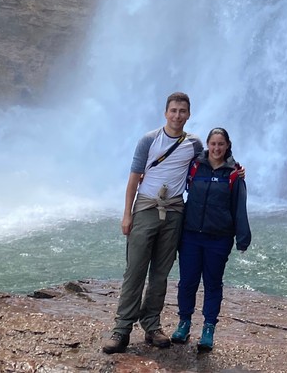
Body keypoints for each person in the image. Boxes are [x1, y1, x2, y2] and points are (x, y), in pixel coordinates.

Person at [102, 91, 203, 354]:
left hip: (173, 212)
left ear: (189, 114)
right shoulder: (149, 140)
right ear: (165, 113)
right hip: (146, 209)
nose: (178, 115)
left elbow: (211, 165)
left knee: (160, 273)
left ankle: (152, 325)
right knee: (135, 270)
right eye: (173, 111)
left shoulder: (194, 144)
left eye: (182, 111)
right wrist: (127, 215)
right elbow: (134, 178)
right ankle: (122, 329)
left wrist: (236, 170)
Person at [169, 126, 251, 352]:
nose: (216, 148)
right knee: (187, 281)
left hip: (219, 238)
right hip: (191, 235)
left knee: (213, 283)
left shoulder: (234, 173)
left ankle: (208, 329)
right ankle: (184, 323)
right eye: (213, 144)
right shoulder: (195, 166)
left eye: (221, 144)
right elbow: (173, 175)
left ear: (227, 146)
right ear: (208, 145)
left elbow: (239, 207)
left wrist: (242, 238)